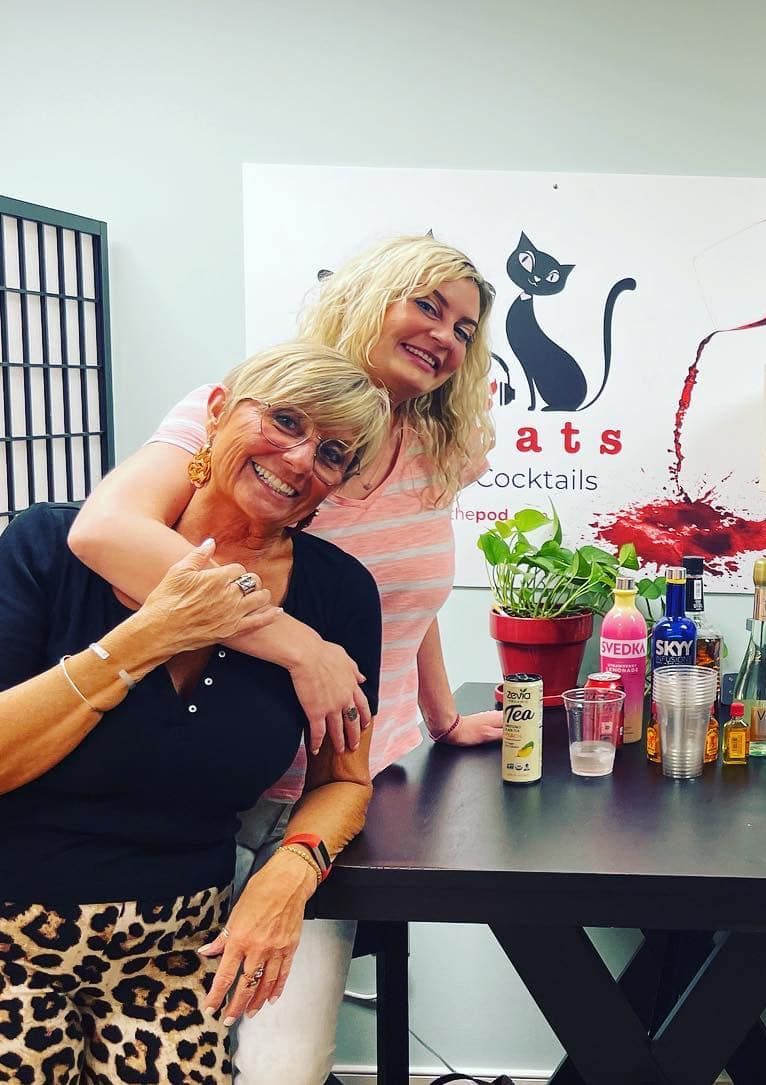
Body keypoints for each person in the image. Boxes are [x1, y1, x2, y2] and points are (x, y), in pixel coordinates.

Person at [66, 234, 499, 1082]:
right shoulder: (244, 407)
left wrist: (440, 717)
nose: (445, 335)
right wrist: (298, 644)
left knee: (277, 1062)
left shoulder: (446, 450)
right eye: (427, 304)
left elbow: (405, 597)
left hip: (335, 790)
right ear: (370, 296)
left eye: (464, 326)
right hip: (208, 779)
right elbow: (105, 533)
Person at [0, 343, 387, 1083]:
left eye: (333, 452)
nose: (301, 457)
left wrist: (290, 871)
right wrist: (148, 636)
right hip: (11, 933)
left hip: (179, 950)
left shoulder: (336, 594)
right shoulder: (48, 546)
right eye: (283, 419)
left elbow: (345, 776)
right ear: (215, 413)